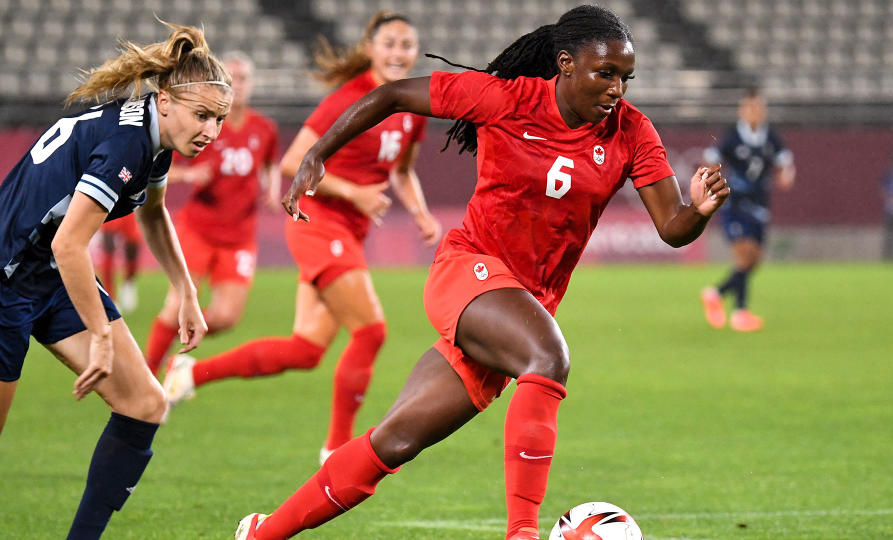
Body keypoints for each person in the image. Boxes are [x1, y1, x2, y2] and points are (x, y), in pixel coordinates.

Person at [234, 6, 729, 540]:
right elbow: (392, 94)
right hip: (468, 272)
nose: (617, 89)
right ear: (565, 64)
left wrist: (698, 210)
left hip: (523, 304)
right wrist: (317, 155)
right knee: (549, 356)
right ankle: (522, 533)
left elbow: (671, 228)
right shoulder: (506, 100)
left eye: (625, 78)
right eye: (605, 73)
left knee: (395, 440)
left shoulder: (632, 132)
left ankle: (262, 533)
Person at [163, 11, 441, 463]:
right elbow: (295, 162)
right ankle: (336, 450)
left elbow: (402, 170)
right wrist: (354, 191)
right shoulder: (348, 99)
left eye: (407, 45)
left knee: (307, 349)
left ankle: (192, 372)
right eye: (389, 43)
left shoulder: (409, 107)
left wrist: (422, 213)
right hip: (317, 221)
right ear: (370, 48)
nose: (398, 52)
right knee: (371, 332)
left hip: (349, 231)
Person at [0, 22, 227, 538]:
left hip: (49, 274)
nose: (211, 131)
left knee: (146, 404)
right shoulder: (129, 142)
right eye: (202, 115)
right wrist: (100, 337)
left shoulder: (159, 137)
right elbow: (69, 243)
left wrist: (185, 290)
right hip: (8, 275)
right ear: (165, 100)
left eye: (219, 119)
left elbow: (153, 211)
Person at [143, 51, 281, 375]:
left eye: (244, 78)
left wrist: (272, 188)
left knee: (227, 317)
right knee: (176, 305)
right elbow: (162, 168)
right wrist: (189, 175)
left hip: (239, 237)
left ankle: (175, 360)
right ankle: (147, 372)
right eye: (231, 80)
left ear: (252, 84)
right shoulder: (199, 122)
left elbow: (272, 163)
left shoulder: (265, 128)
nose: (239, 86)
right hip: (198, 230)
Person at [699, 87, 794, 332]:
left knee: (754, 261)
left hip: (760, 205)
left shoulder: (771, 137)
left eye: (758, 108)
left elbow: (785, 163)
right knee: (744, 254)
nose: (754, 113)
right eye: (750, 108)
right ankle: (740, 312)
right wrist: (711, 181)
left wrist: (786, 175)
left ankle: (717, 294)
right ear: (743, 111)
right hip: (735, 204)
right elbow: (710, 160)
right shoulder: (732, 136)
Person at [96, 213, 143, 312]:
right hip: (108, 205)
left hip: (128, 205)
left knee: (133, 246)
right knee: (108, 245)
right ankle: (110, 297)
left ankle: (128, 283)